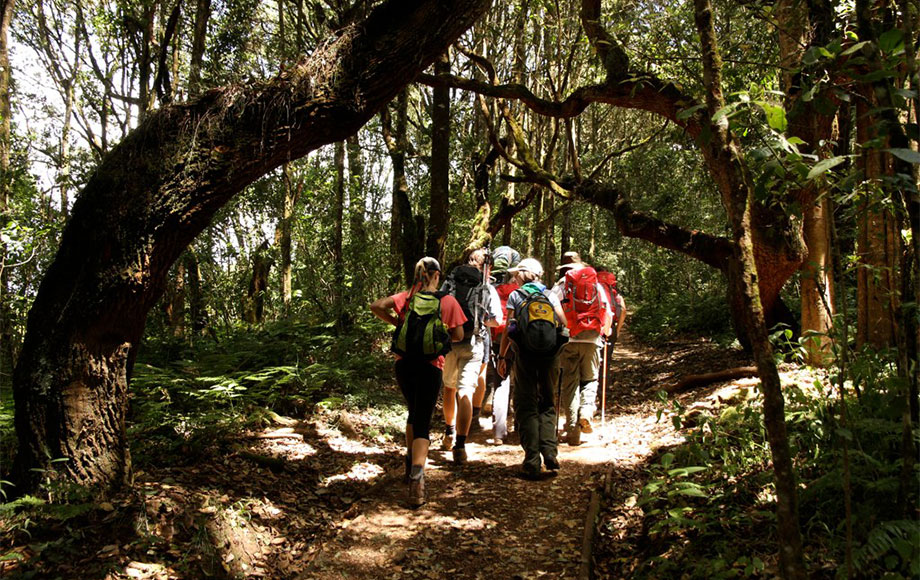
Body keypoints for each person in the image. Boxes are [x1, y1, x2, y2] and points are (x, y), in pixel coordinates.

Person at [370, 257, 466, 507]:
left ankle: (409, 460)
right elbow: (459, 334)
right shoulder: (447, 301)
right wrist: (438, 335)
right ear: (436, 275)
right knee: (423, 421)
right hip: (431, 366)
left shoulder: (406, 297)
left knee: (413, 412)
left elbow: (377, 306)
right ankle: (417, 478)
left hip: (404, 364)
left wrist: (397, 322)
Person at [497, 258, 567, 480]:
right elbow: (563, 323)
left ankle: (531, 460)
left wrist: (502, 356)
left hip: (524, 356)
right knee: (547, 402)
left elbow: (509, 329)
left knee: (526, 405)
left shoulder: (516, 296)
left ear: (525, 274)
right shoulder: (550, 294)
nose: (514, 277)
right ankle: (550, 452)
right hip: (549, 355)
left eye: (517, 273)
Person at [439, 248, 503, 464]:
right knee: (465, 391)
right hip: (473, 343)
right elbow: (496, 320)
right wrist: (481, 321)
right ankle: (460, 446)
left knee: (449, 389)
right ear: (486, 266)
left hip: (449, 341)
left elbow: (439, 306)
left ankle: (449, 431)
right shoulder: (486, 287)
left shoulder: (450, 282)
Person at [551, 252, 613, 446]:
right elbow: (608, 311)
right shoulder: (595, 284)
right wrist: (605, 331)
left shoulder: (562, 284)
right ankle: (586, 412)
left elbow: (551, 307)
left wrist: (560, 328)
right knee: (590, 379)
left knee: (570, 383)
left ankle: (571, 429)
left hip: (569, 339)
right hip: (593, 338)